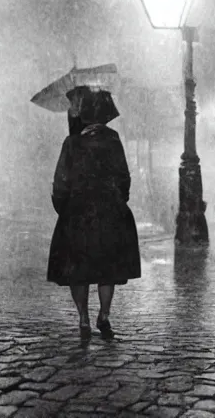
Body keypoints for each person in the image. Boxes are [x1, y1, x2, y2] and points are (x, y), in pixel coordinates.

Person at [48, 86, 141, 341]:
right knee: (106, 268)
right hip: (109, 212)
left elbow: (61, 182)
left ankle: (83, 319)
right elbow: (124, 177)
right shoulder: (113, 140)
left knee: (78, 270)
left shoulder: (72, 143)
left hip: (77, 213)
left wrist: (64, 208)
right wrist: (117, 201)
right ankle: (105, 315)